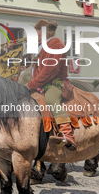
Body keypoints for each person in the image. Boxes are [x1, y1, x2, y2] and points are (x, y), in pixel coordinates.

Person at [25, 19, 76, 151]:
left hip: (57, 83)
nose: (34, 34)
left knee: (51, 99)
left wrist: (31, 84)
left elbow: (49, 70)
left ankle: (67, 134)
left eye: (36, 32)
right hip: (42, 84)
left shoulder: (55, 43)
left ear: (44, 32)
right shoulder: (43, 45)